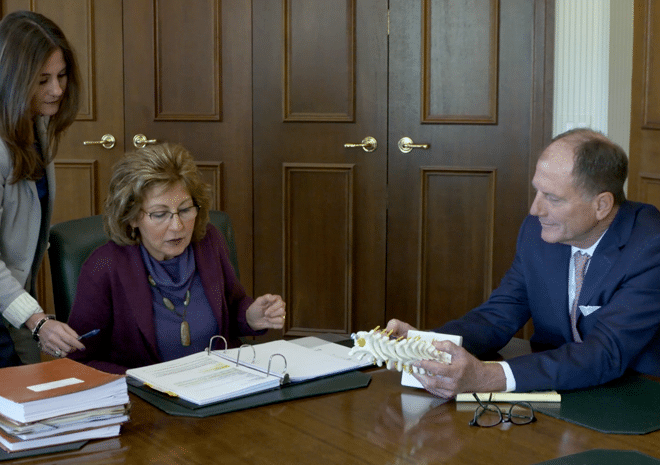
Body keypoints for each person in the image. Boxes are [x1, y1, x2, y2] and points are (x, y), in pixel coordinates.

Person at [387, 128, 660, 396]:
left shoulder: (651, 247)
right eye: (537, 192)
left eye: (552, 198)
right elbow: (498, 315)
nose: (535, 209)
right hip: (553, 388)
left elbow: (605, 352)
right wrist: (427, 346)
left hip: (634, 393)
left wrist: (488, 377)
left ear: (601, 205)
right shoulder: (538, 232)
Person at [67, 143, 286, 374]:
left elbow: (232, 307)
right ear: (131, 217)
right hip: (149, 402)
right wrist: (141, 382)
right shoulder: (104, 266)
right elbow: (81, 360)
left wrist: (251, 316)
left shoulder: (209, 242)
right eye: (160, 214)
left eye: (185, 210)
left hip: (221, 384)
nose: (177, 226)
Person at [0, 10, 85, 365]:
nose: (57, 90)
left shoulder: (37, 126)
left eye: (62, 76)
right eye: (42, 80)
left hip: (12, 301)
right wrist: (36, 320)